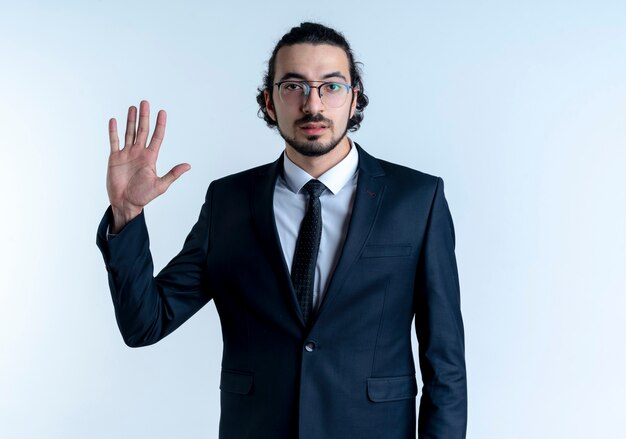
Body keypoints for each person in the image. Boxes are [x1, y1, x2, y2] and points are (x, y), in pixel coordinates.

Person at [96, 22, 467, 439]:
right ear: (269, 102)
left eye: (331, 87)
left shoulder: (417, 199)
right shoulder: (229, 202)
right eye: (293, 86)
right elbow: (145, 324)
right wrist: (125, 213)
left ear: (354, 99)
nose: (313, 104)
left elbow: (445, 365)